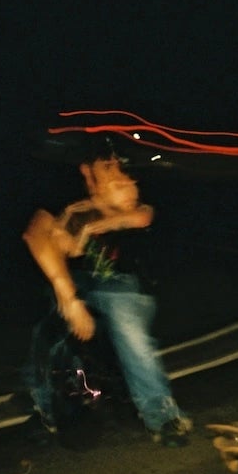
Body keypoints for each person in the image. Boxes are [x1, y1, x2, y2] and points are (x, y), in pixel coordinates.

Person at [22, 153, 192, 445]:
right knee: (48, 327)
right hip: (78, 282)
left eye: (126, 177)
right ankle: (44, 410)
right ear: (88, 174)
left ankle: (161, 415)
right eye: (111, 171)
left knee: (127, 325)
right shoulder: (69, 202)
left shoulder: (135, 205)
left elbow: (142, 216)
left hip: (122, 284)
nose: (125, 181)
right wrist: (68, 297)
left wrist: (91, 227)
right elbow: (35, 234)